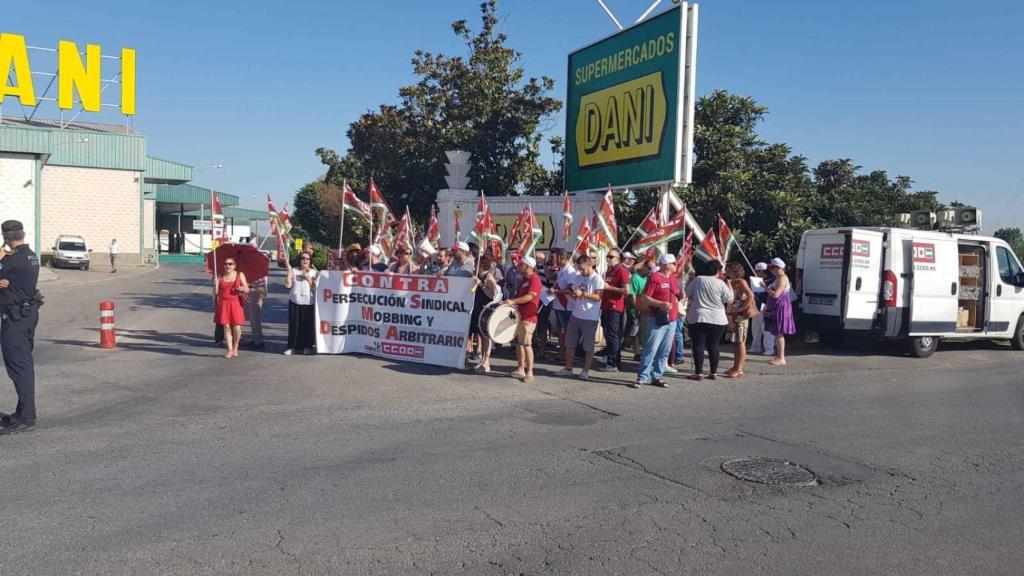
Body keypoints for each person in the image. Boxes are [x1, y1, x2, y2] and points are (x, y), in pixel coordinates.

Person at [0, 220, 41, 435]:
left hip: (15, 319)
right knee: (22, 365)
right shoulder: (31, 256)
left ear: (6, 237)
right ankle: (22, 412)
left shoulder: (12, 261)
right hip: (26, 315)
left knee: (19, 367)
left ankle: (26, 418)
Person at [634, 254, 681, 388]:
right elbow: (645, 297)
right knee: (651, 348)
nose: (675, 265)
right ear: (666, 264)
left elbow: (677, 294)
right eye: (673, 263)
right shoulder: (654, 277)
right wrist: (660, 304)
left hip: (672, 319)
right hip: (657, 318)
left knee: (664, 350)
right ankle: (642, 377)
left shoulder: (673, 278)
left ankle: (657, 376)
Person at [684, 260, 735, 381]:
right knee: (713, 345)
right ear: (718, 271)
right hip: (717, 317)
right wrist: (729, 284)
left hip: (699, 316)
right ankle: (713, 372)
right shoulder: (721, 283)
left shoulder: (698, 279)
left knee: (698, 345)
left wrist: (690, 281)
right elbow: (730, 299)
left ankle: (699, 373)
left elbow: (687, 293)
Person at [558, 254, 603, 381]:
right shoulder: (578, 277)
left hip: (590, 316)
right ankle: (568, 368)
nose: (580, 271)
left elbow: (598, 297)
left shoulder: (597, 279)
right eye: (578, 268)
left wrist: (582, 293)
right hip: (576, 313)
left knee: (588, 346)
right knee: (570, 343)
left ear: (589, 265)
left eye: (582, 268)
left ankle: (585, 370)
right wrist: (574, 295)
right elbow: (574, 292)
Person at [504, 255, 542, 381]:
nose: (518, 266)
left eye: (521, 264)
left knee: (526, 344)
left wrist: (513, 301)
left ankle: (530, 372)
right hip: (520, 316)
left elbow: (530, 296)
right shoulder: (523, 279)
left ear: (528, 266)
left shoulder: (534, 279)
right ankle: (521, 368)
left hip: (529, 317)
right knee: (519, 344)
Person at [723, 261, 758, 378]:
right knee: (736, 342)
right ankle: (735, 366)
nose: (726, 271)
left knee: (740, 342)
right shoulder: (730, 282)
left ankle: (739, 369)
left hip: (740, 316)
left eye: (728, 269)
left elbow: (750, 295)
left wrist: (742, 308)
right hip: (731, 315)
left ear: (734, 270)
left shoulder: (741, 282)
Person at [599, 249, 631, 372]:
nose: (608, 259)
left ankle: (613, 363)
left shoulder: (621, 271)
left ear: (618, 259)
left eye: (611, 257)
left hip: (615, 307)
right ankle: (613, 360)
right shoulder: (608, 271)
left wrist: (609, 287)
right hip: (606, 306)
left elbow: (626, 290)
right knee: (608, 334)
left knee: (613, 335)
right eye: (607, 256)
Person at [469, 253, 501, 371]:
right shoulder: (477, 275)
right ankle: (482, 360)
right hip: (478, 306)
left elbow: (491, 294)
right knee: (481, 336)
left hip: (485, 307)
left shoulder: (489, 276)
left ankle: (487, 361)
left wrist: (481, 284)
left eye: (476, 264)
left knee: (485, 336)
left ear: (482, 265)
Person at [214, 257, 250, 358]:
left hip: (236, 303)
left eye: (230, 264)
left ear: (234, 265)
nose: (227, 266)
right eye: (226, 264)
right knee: (226, 327)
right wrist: (215, 285)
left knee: (237, 327)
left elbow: (247, 289)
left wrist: (242, 288)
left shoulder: (239, 274)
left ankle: (236, 345)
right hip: (224, 304)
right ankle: (229, 349)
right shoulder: (220, 276)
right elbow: (216, 293)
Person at [765, 258, 796, 366]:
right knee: (776, 332)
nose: (771, 270)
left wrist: (765, 288)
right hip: (776, 306)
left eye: (773, 268)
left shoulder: (782, 279)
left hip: (780, 306)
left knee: (779, 332)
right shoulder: (777, 278)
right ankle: (779, 356)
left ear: (779, 268)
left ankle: (781, 357)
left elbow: (776, 294)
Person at [284, 253, 317, 355]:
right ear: (299, 260)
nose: (305, 260)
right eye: (303, 258)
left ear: (310, 261)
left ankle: (306, 346)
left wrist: (308, 278)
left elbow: (315, 288)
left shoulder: (314, 272)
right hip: (295, 300)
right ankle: (292, 347)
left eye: (308, 259)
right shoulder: (293, 270)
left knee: (307, 325)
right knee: (294, 324)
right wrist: (289, 276)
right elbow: (288, 285)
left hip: (308, 302)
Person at [549, 249, 576, 354]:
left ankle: (567, 353)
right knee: (560, 329)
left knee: (567, 331)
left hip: (567, 306)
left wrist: (556, 291)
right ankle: (561, 350)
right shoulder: (561, 269)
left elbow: (571, 290)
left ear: (562, 258)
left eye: (557, 258)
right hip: (558, 305)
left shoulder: (570, 271)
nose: (555, 260)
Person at [627, 255, 651, 360]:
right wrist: (637, 309)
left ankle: (642, 351)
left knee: (643, 331)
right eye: (649, 268)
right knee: (635, 331)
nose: (650, 271)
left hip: (646, 309)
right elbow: (632, 295)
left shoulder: (649, 278)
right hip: (636, 309)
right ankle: (637, 353)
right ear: (644, 267)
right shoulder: (635, 278)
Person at [749, 262, 774, 355]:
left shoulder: (771, 280)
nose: (755, 272)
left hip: (765, 306)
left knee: (766, 328)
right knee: (755, 327)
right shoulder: (754, 280)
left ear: (762, 271)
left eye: (757, 271)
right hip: (755, 306)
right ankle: (755, 346)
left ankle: (769, 348)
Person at [245, 273, 268, 350]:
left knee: (254, 317)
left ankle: (258, 341)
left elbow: (263, 277)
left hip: (257, 289)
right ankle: (256, 338)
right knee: (251, 316)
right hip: (250, 289)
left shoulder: (257, 265)